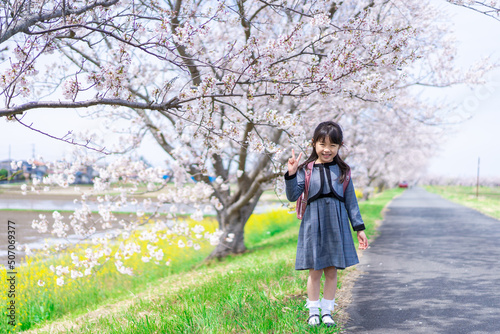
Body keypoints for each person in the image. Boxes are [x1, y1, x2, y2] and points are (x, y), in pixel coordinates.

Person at [284, 121, 368, 327]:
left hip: (337, 223)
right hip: (313, 224)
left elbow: (351, 201)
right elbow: (293, 195)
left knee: (331, 271)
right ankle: (313, 310)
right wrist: (292, 174)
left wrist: (359, 228)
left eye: (332, 145)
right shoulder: (306, 169)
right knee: (315, 270)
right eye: (322, 144)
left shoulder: (343, 170)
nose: (327, 150)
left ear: (339, 146)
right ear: (314, 144)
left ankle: (327, 310)